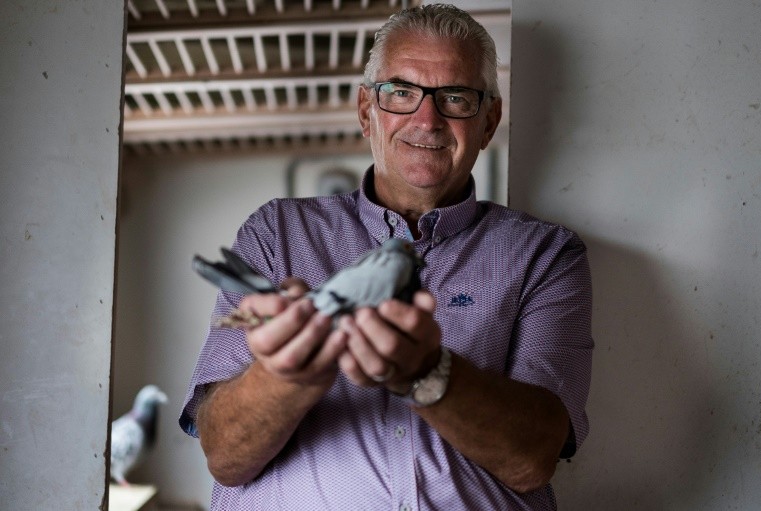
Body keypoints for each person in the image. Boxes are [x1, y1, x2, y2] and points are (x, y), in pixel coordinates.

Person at [180, 4, 593, 510]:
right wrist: (287, 375)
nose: (427, 120)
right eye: (401, 92)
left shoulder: (545, 254)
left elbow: (534, 458)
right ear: (364, 111)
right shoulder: (277, 232)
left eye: (456, 97)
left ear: (488, 122)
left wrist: (428, 374)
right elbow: (223, 454)